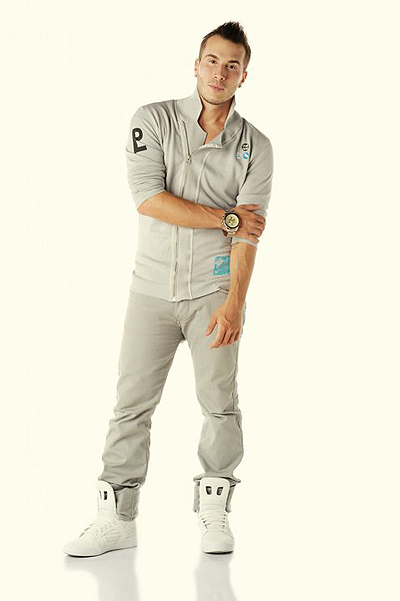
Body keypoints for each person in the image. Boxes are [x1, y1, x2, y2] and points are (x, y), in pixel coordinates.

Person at [63, 20, 274, 557]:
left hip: (214, 292)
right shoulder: (153, 119)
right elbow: (148, 199)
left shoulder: (256, 146)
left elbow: (248, 235)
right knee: (130, 405)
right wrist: (227, 217)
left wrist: (234, 303)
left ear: (244, 75)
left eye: (232, 65)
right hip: (151, 290)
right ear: (195, 64)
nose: (220, 73)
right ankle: (116, 518)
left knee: (219, 404)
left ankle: (214, 512)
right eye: (212, 61)